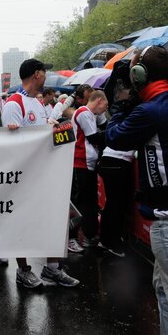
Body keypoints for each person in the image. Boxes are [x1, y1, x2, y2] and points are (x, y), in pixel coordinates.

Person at [106, 45, 168, 335]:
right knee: (163, 290)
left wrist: (123, 100)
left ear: (139, 75)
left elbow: (114, 136)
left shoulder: (151, 111)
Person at [2, 59, 80, 289]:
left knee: (52, 219)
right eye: (44, 72)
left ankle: (52, 268)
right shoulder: (13, 104)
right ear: (37, 74)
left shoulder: (37, 102)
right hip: (24, 178)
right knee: (23, 223)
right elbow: (9, 147)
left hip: (45, 175)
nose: (45, 76)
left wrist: (56, 130)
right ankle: (23, 270)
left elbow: (43, 137)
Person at [69, 90, 108, 251]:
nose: (105, 109)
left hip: (88, 163)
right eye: (105, 105)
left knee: (90, 201)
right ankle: (74, 237)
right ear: (99, 101)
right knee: (82, 202)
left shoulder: (91, 114)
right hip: (81, 163)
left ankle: (88, 235)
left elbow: (104, 126)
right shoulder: (83, 113)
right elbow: (94, 137)